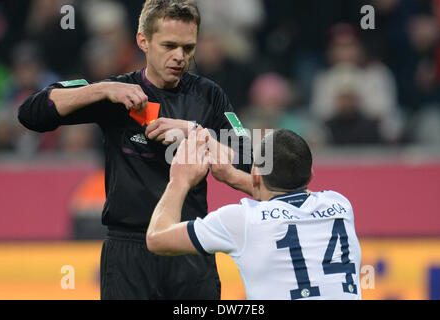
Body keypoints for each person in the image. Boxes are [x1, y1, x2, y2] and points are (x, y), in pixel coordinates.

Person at [18, 0, 251, 300]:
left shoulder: (210, 96)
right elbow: (31, 113)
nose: (179, 57)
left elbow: (251, 161)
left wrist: (196, 133)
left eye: (188, 48)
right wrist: (101, 89)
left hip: (189, 246)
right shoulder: (116, 93)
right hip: (128, 252)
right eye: (169, 45)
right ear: (143, 41)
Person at [147, 128, 362, 300]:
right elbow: (292, 198)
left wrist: (179, 181)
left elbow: (157, 238)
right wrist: (232, 176)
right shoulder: (340, 204)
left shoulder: (241, 221)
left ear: (256, 176)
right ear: (311, 175)